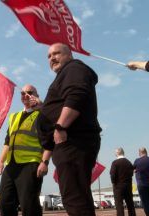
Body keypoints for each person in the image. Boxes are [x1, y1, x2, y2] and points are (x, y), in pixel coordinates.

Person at [37, 43, 101, 216]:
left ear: (69, 54)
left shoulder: (73, 68)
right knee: (76, 196)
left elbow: (77, 95)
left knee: (75, 198)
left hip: (73, 141)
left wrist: (60, 126)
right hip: (66, 143)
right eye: (49, 56)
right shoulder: (65, 74)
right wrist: (45, 158)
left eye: (56, 53)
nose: (52, 58)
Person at [0, 84, 52, 216]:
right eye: (22, 93)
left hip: (31, 164)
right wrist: (0, 161)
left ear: (36, 96)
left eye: (30, 92)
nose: (25, 95)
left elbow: (50, 140)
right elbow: (7, 141)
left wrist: (45, 162)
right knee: (5, 201)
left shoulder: (42, 115)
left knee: (29, 204)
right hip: (11, 165)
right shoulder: (13, 117)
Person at [110, 147, 136, 216]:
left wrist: (114, 183)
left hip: (118, 186)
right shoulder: (128, 162)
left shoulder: (115, 163)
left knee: (119, 205)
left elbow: (112, 175)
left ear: (117, 153)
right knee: (130, 204)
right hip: (128, 185)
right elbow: (132, 173)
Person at [134, 147, 149, 216]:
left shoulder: (137, 161)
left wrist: (136, 170)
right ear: (146, 152)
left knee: (145, 202)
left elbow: (132, 170)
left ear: (139, 153)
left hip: (141, 184)